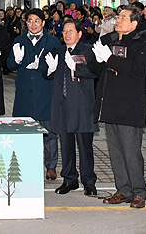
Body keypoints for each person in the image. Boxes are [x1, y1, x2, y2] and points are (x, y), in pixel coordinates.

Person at [93, 6, 146, 209]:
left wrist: (110, 59)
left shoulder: (141, 45)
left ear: (134, 24)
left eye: (123, 18)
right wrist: (95, 58)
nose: (118, 20)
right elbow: (96, 67)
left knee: (131, 151)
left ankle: (139, 192)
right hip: (110, 104)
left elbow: (137, 70)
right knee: (116, 152)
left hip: (130, 105)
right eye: (118, 17)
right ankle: (123, 190)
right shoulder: (109, 40)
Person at [47, 17, 100, 195]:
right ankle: (70, 180)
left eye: (71, 31)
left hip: (82, 106)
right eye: (64, 31)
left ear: (79, 33)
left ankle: (89, 181)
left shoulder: (88, 51)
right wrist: (50, 69)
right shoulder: (58, 51)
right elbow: (45, 73)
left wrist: (75, 68)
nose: (67, 34)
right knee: (66, 146)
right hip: (62, 105)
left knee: (85, 146)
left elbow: (94, 72)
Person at [8, 8, 62, 180]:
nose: (33, 24)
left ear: (43, 23)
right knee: (23, 130)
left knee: (49, 132)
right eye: (30, 21)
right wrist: (16, 60)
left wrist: (47, 69)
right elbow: (9, 65)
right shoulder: (19, 40)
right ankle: (25, 163)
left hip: (45, 91)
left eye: (37, 21)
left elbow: (57, 66)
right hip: (25, 92)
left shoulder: (52, 41)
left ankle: (51, 166)